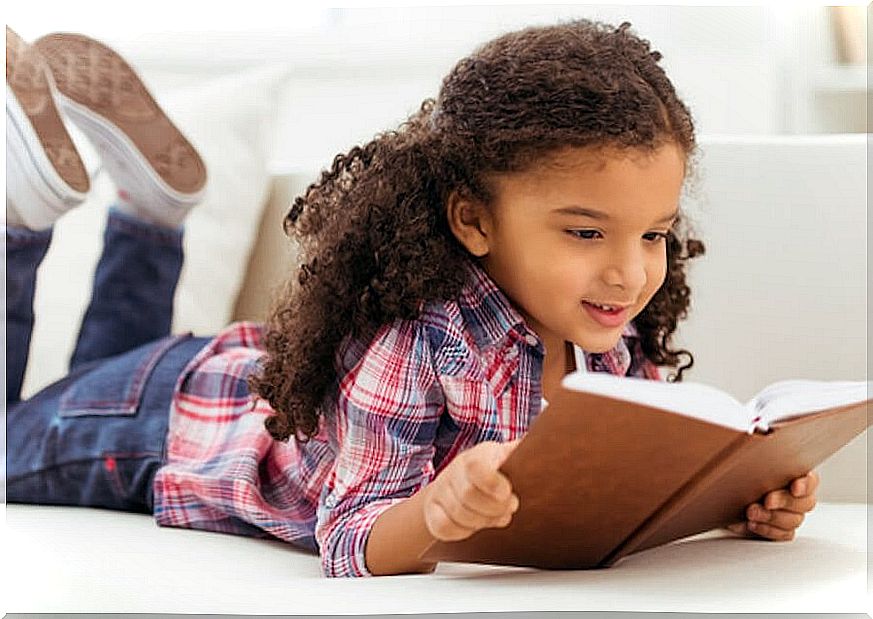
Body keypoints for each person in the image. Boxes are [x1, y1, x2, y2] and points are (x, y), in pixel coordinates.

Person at [5, 20, 820, 578]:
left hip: (190, 378)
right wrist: (434, 511)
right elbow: (349, 539)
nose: (628, 274)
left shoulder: (609, 339)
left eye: (652, 234)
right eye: (583, 233)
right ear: (472, 218)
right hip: (168, 424)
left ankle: (152, 216)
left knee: (97, 365)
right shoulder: (418, 340)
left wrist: (735, 500)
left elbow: (615, 508)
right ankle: (25, 218)